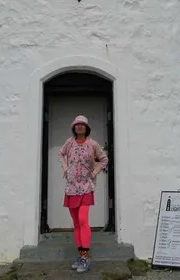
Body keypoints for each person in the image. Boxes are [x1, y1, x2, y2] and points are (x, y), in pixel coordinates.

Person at [59, 114, 109, 273]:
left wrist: (94, 172)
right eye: (77, 124)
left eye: (82, 125)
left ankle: (86, 257)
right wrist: (65, 168)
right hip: (71, 187)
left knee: (82, 219)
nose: (79, 127)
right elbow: (60, 154)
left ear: (86, 128)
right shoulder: (69, 143)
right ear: (74, 127)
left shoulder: (92, 144)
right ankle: (81, 256)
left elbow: (104, 159)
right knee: (76, 224)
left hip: (86, 187)